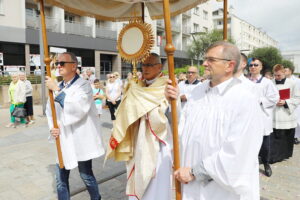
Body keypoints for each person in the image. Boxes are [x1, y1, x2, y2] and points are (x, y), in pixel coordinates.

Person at [166, 41, 264, 200]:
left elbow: (238, 152)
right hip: (187, 182)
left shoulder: (244, 99)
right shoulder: (198, 91)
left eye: (211, 60)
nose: (204, 63)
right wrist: (174, 101)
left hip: (219, 189)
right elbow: (183, 128)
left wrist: (194, 172)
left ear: (229, 66)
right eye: (205, 59)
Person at [106, 53, 173, 200]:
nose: (145, 68)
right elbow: (125, 111)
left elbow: (171, 116)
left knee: (155, 184)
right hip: (138, 139)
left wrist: (149, 110)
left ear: (159, 67)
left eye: (150, 65)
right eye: (144, 65)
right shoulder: (137, 85)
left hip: (158, 143)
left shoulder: (167, 85)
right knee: (137, 175)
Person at [45, 52, 105, 200]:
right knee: (60, 178)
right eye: (57, 63)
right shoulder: (57, 86)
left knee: (86, 175)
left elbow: (78, 108)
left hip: (81, 139)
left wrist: (57, 91)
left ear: (73, 66)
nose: (58, 66)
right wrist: (52, 127)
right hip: (64, 138)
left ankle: (96, 198)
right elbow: (50, 110)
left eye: (62, 63)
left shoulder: (84, 86)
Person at [249, 57, 279, 177]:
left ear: (261, 67)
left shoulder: (267, 82)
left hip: (262, 117)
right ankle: (250, 164)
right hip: (248, 118)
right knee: (249, 143)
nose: (253, 67)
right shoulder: (245, 82)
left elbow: (274, 98)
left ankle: (266, 163)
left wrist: (260, 101)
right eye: (251, 65)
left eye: (256, 65)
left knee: (265, 145)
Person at [271, 64, 300, 163]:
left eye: (279, 75)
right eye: (275, 75)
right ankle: (275, 156)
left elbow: (297, 98)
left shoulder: (292, 83)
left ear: (284, 73)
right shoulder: (271, 83)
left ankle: (285, 155)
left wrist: (285, 102)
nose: (276, 78)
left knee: (285, 137)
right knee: (275, 136)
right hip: (274, 113)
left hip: (286, 113)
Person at [284, 65, 300, 144]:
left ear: (290, 71)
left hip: (295, 103)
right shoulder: (282, 80)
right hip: (285, 102)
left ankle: (295, 137)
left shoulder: (297, 81)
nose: (284, 72)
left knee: (297, 121)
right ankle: (287, 137)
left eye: (285, 70)